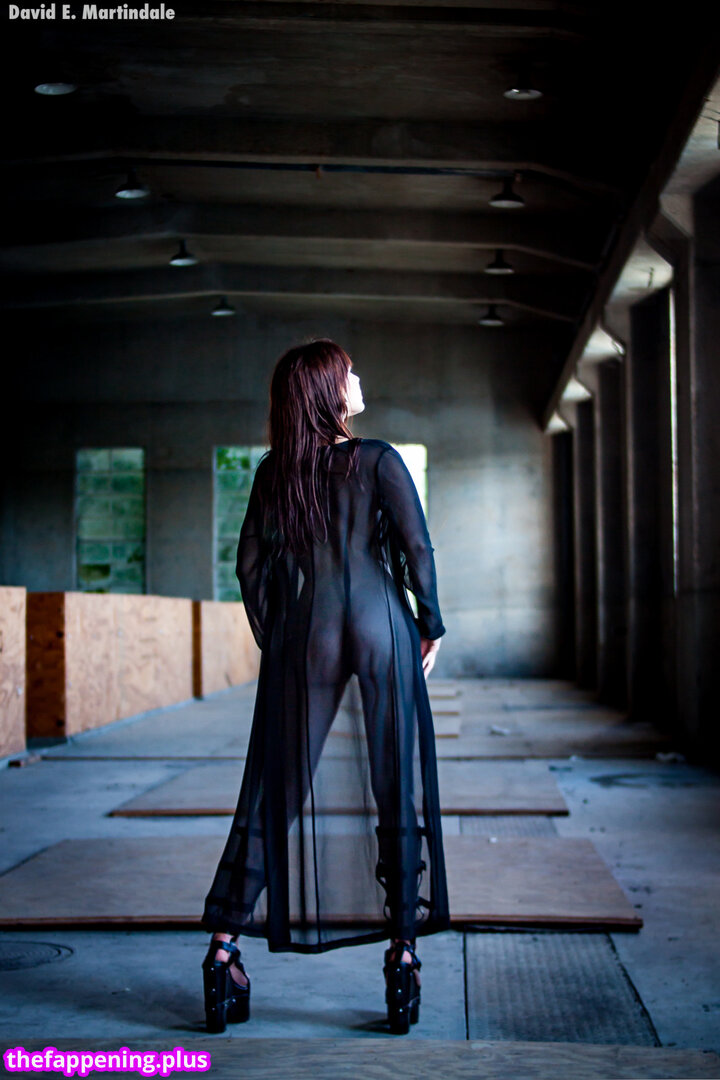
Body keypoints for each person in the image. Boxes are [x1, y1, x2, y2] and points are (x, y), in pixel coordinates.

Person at [200, 338, 449, 1035]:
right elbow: (417, 548)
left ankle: (223, 951)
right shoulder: (378, 459)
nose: (359, 379)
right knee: (395, 785)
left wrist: (278, 634)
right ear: (329, 392)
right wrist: (429, 624)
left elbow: (250, 564)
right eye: (349, 373)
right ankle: (403, 955)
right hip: (380, 625)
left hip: (309, 631)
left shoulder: (275, 472)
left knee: (275, 791)